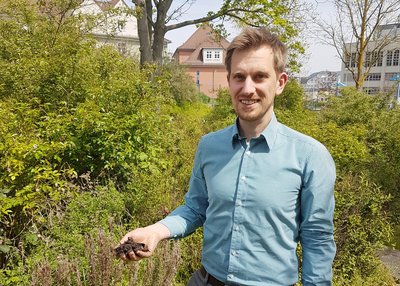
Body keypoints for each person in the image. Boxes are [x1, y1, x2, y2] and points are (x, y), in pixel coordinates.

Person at [118, 27, 336, 286]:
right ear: (229, 80)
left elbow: (317, 238)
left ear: (280, 83)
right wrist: (154, 231)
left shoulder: (310, 156)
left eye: (259, 76)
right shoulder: (209, 146)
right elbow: (195, 208)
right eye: (239, 77)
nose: (248, 88)